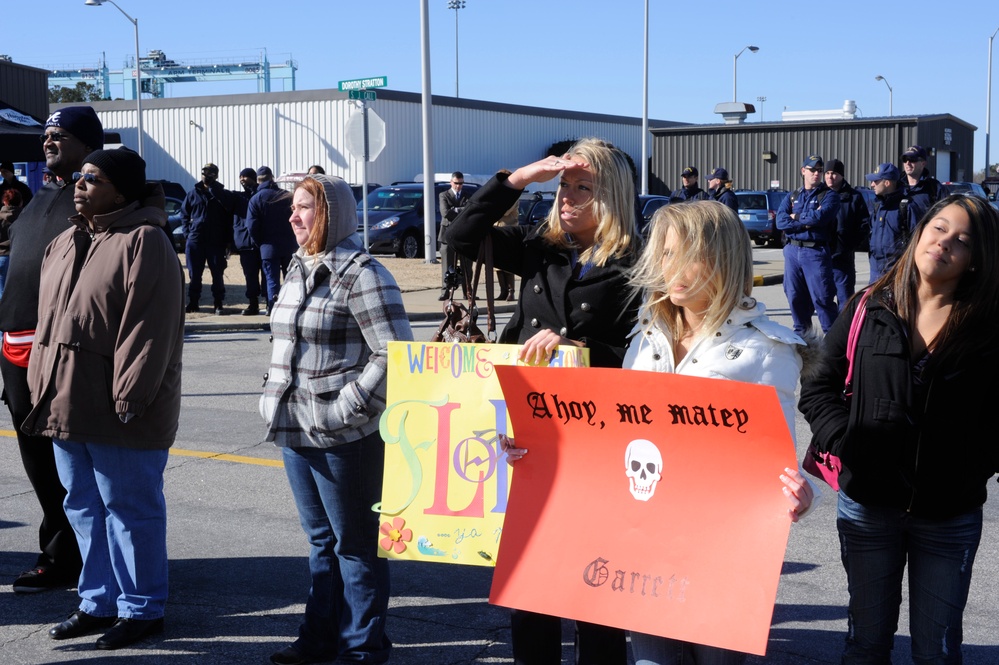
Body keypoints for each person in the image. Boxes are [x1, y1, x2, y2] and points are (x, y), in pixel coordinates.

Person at [446, 137, 642, 665]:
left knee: (595, 591)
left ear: (613, 197)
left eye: (584, 187)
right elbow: (460, 235)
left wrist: (580, 349)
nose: (568, 197)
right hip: (526, 438)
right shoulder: (542, 246)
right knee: (531, 587)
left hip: (596, 446)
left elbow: (647, 356)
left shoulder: (639, 263)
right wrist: (517, 180)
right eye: (563, 186)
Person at [799, 195, 999, 665]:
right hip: (868, 506)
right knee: (866, 645)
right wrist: (846, 443)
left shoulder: (989, 327)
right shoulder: (869, 306)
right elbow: (818, 384)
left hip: (948, 515)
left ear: (977, 260)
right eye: (938, 228)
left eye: (962, 240)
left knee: (937, 651)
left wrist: (976, 464)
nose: (944, 242)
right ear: (920, 232)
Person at [621, 201, 814, 665]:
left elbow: (778, 462)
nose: (674, 269)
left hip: (723, 556)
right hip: (644, 546)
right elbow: (618, 440)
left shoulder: (766, 349)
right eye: (666, 254)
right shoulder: (643, 337)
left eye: (689, 254)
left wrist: (799, 497)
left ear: (725, 258)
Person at [23, 147, 184, 650]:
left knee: (130, 508)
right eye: (79, 176)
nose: (80, 183)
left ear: (122, 188)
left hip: (120, 407)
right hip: (64, 401)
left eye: (93, 177)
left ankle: (141, 608)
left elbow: (149, 330)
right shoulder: (67, 241)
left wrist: (131, 394)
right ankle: (98, 601)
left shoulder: (145, 241)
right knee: (84, 508)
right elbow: (47, 325)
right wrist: (38, 380)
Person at [260, 174, 413, 665]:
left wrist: (344, 407)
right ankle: (319, 637)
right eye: (293, 208)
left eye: (304, 207)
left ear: (333, 214)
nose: (293, 216)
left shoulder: (364, 273)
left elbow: (395, 354)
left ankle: (362, 647)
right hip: (293, 427)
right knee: (320, 541)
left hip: (345, 436)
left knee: (356, 546)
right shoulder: (298, 266)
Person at [0, 106, 104, 594]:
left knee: (70, 459)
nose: (48, 140)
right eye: (46, 133)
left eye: (60, 134)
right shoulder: (41, 194)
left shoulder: (95, 197)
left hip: (58, 348)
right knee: (37, 457)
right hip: (15, 346)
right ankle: (60, 548)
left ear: (88, 144)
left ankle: (72, 556)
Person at [776, 154, 841, 334]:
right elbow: (780, 222)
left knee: (822, 299)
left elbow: (821, 218)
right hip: (792, 250)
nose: (817, 174)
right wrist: (806, 221)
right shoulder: (792, 196)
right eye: (813, 170)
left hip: (815, 252)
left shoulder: (829, 196)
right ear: (803, 171)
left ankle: (833, 344)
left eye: (819, 171)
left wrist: (795, 217)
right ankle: (802, 341)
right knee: (794, 296)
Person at [181, 162, 233, 315]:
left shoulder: (222, 194)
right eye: (204, 173)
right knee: (194, 274)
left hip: (216, 242)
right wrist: (187, 233)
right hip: (196, 240)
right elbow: (184, 214)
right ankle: (193, 302)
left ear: (216, 176)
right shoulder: (193, 193)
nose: (206, 176)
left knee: (217, 274)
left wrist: (228, 241)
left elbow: (228, 217)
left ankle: (218, 303)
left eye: (210, 174)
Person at [247, 166, 296, 311]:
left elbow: (251, 226)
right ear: (272, 178)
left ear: (258, 180)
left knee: (272, 280)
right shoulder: (287, 196)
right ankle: (292, 307)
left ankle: (273, 309)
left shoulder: (255, 199)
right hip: (289, 245)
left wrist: (260, 243)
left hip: (268, 247)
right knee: (291, 279)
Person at [865, 162, 924, 282]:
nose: (872, 185)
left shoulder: (907, 207)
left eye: (876, 181)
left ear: (887, 183)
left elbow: (918, 240)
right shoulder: (878, 206)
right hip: (875, 271)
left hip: (896, 273)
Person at [824, 159, 870, 309]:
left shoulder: (854, 197)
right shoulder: (818, 195)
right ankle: (829, 331)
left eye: (834, 174)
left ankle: (844, 331)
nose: (830, 177)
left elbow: (864, 224)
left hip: (843, 259)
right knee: (823, 299)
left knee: (845, 302)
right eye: (828, 173)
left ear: (842, 176)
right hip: (821, 257)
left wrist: (850, 245)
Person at [232, 167, 265, 315]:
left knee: (266, 275)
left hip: (263, 243)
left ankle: (270, 302)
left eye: (245, 176)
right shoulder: (239, 198)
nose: (242, 179)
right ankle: (253, 304)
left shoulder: (262, 195)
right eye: (240, 177)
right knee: (250, 276)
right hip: (246, 244)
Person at [438, 171, 472, 300]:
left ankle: (467, 291)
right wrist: (461, 211)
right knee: (447, 265)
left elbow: (469, 211)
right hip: (447, 235)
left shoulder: (467, 195)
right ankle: (445, 291)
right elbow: (445, 212)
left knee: (466, 266)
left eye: (461, 183)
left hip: (463, 235)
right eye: (456, 183)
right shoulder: (443, 195)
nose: (459, 186)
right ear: (451, 182)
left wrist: (456, 210)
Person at [900, 145, 942, 212]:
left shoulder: (935, 188)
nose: (908, 163)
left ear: (923, 163)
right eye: (905, 159)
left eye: (912, 159)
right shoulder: (897, 187)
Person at [0, 188, 25, 297]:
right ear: (21, 202)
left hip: (1, 256)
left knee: (2, 293)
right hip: (19, 257)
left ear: (4, 201)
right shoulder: (25, 216)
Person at [494, 200, 519, 300]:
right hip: (496, 230)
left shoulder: (513, 197)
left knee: (508, 263)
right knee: (497, 265)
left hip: (508, 232)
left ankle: (510, 291)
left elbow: (505, 211)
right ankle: (503, 291)